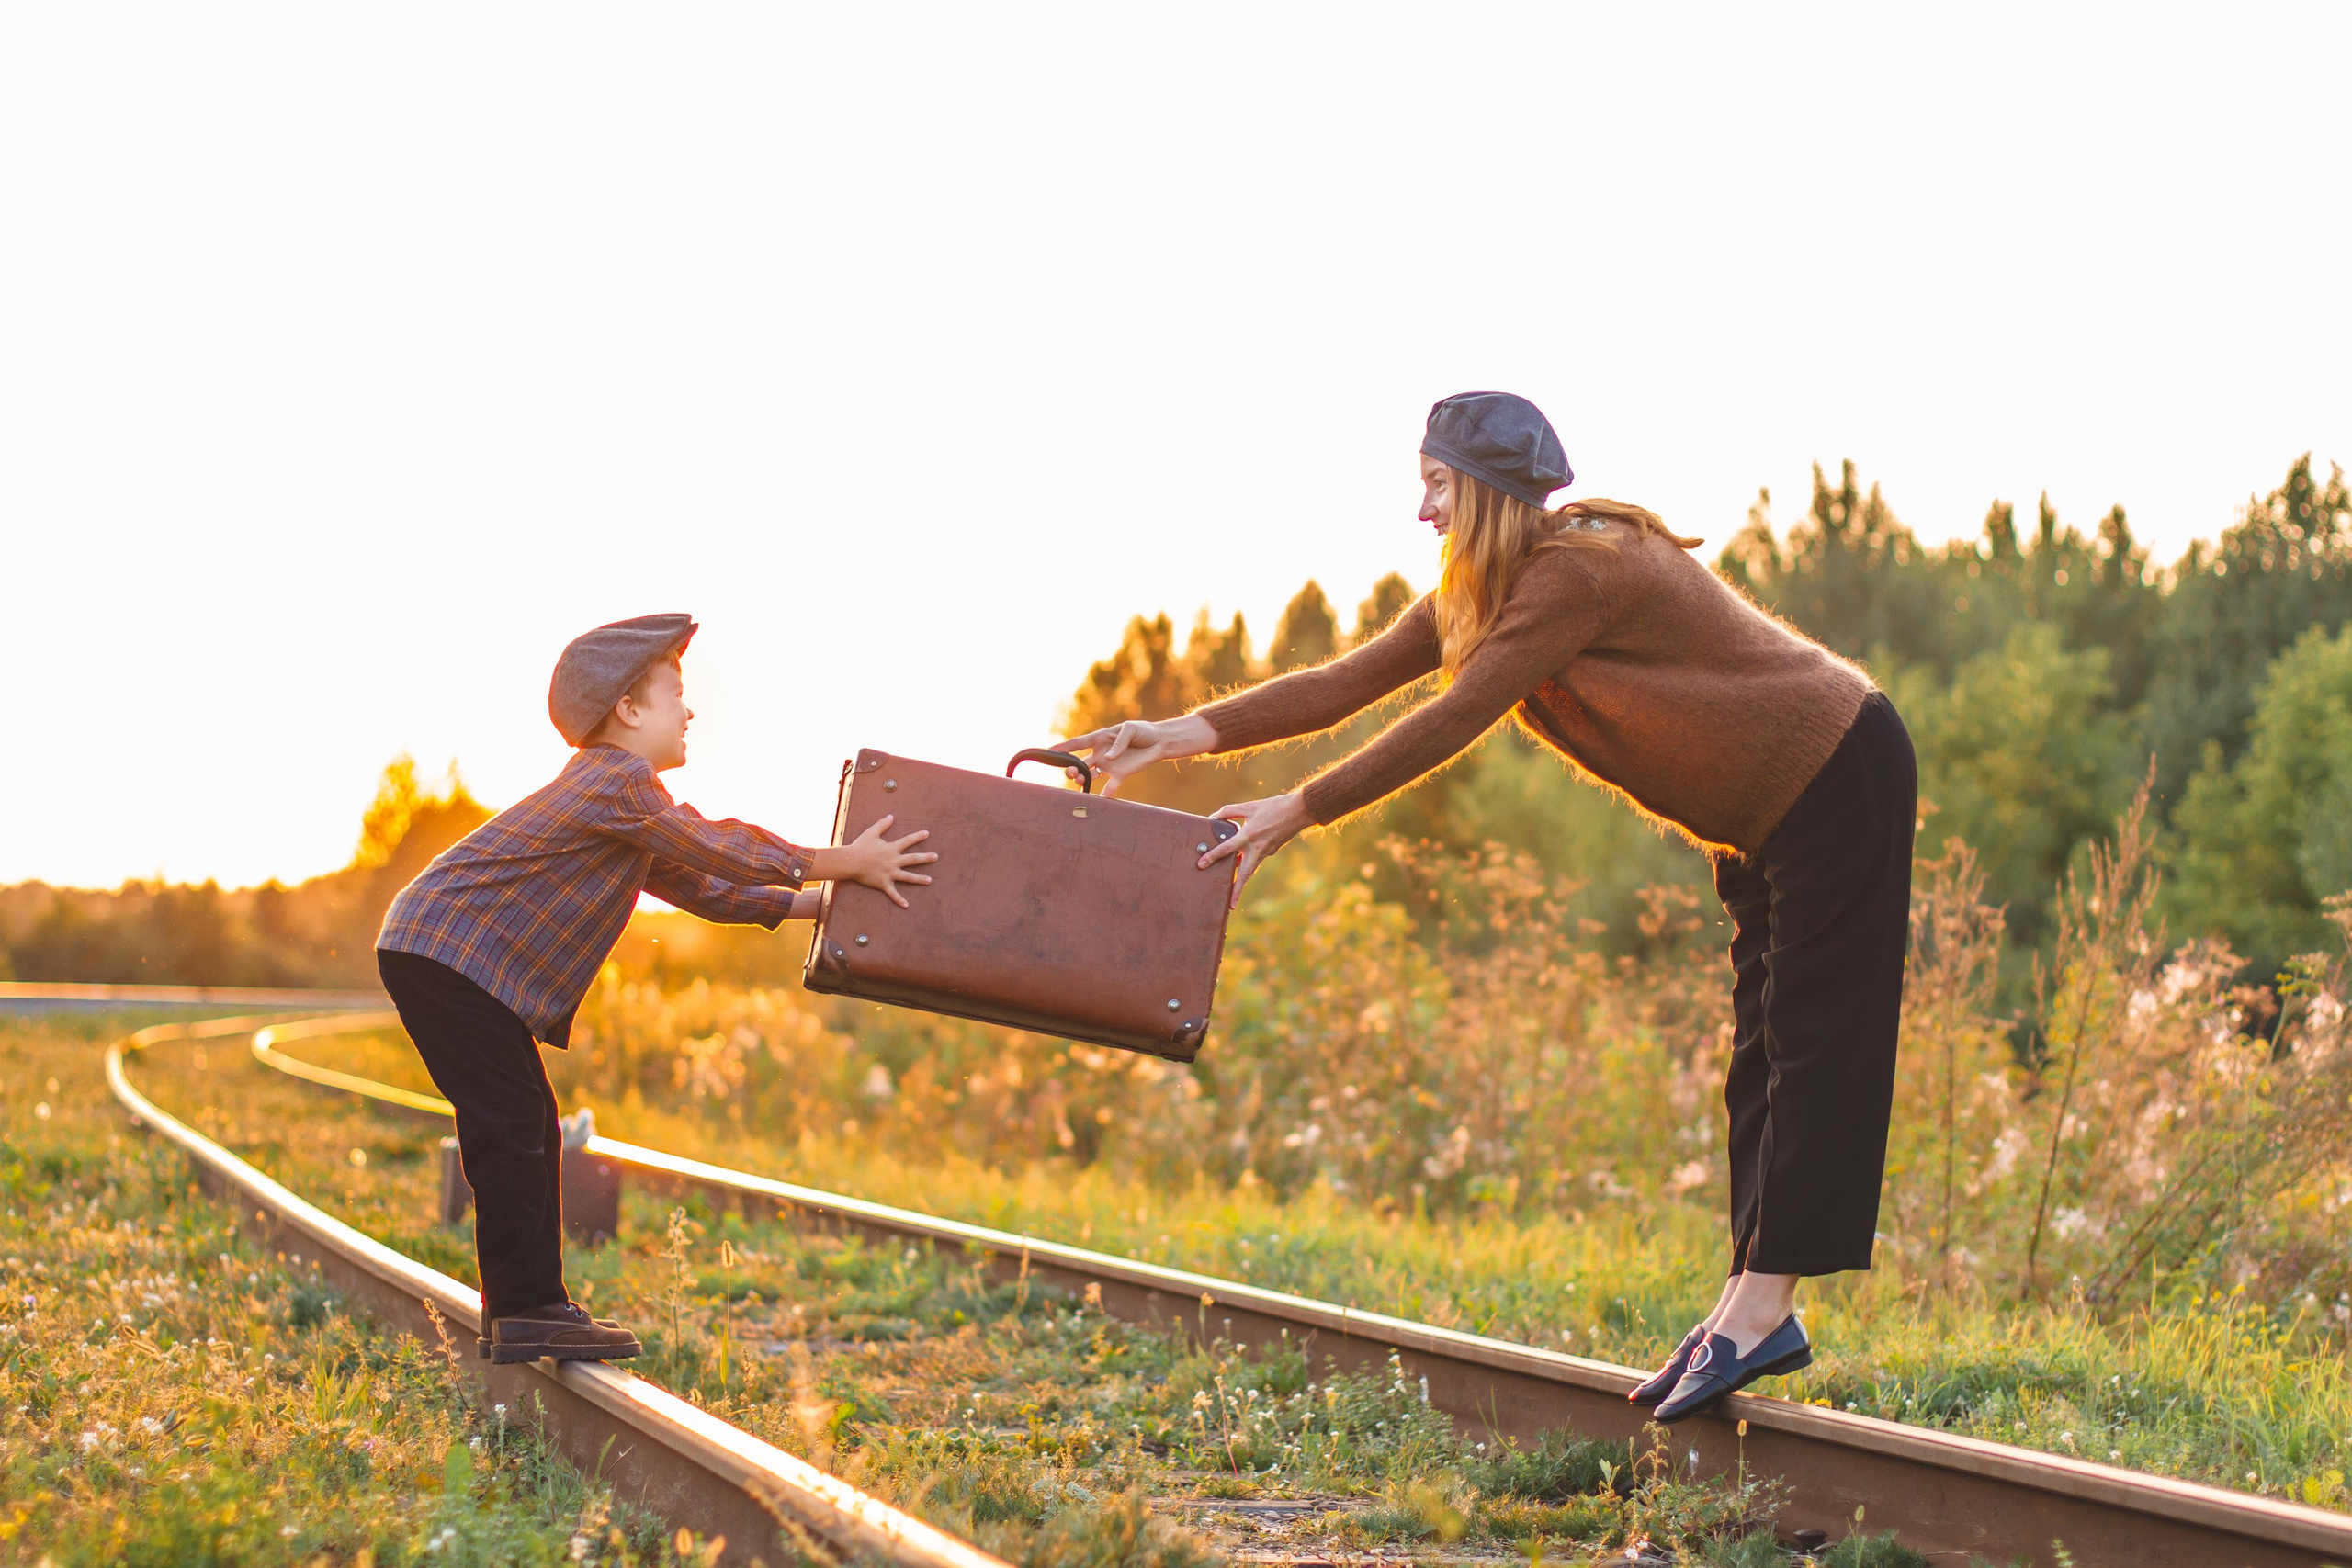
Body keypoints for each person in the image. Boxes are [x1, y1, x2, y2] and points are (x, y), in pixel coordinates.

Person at [1056, 392, 1917, 1423]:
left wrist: (1300, 808)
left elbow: (1459, 710)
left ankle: (1763, 1306)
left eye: (1433, 485)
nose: (1420, 511)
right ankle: (1748, 1302)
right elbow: (1343, 682)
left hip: (1835, 769)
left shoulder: (1573, 573)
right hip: (1764, 811)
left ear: (1485, 491)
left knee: (1814, 1040)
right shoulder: (1489, 588)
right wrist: (1174, 733)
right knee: (1763, 1051)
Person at [377, 613, 935, 1365]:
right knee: (512, 1120)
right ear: (628, 711)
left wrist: (823, 903)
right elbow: (719, 843)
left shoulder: (623, 807)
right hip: (443, 951)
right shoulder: (618, 780)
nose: (692, 709)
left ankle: (528, 1305)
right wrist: (840, 860)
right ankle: (526, 1308)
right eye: (677, 692)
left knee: (526, 1121)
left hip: (440, 953)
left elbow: (705, 886)